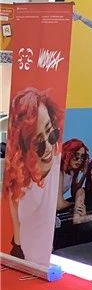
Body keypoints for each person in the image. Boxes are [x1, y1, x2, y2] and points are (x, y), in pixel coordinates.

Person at [3, 88, 63, 265]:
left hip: (45, 261)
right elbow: (17, 234)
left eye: (51, 133)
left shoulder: (57, 166)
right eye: (38, 143)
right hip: (27, 264)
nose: (48, 147)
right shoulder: (17, 181)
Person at [58, 139, 89, 211]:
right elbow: (59, 205)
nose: (79, 160)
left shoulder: (73, 171)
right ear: (68, 154)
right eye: (76, 156)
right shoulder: (59, 170)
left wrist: (84, 174)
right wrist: (75, 204)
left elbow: (74, 193)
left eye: (82, 157)